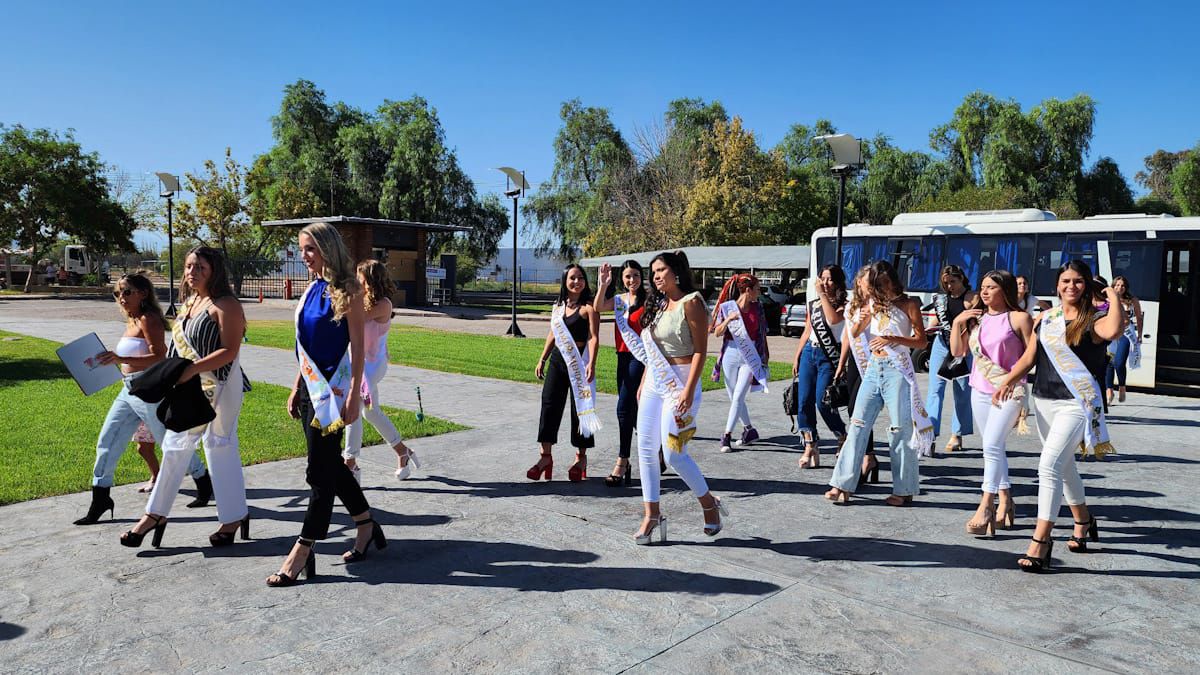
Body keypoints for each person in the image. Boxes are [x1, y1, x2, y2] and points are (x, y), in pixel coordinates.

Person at [269, 223, 382, 586]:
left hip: (332, 394)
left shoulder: (348, 289)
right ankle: (366, 525)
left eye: (311, 249)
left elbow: (357, 348)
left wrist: (353, 393)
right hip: (309, 390)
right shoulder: (311, 288)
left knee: (318, 473)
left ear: (328, 249)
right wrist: (295, 385)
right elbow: (306, 346)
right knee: (330, 465)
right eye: (302, 249)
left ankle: (302, 550)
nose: (304, 256)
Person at [995, 260, 1124, 572]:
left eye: (1078, 281)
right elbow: (1030, 356)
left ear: (1087, 286)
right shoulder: (1048, 319)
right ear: (1057, 285)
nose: (1071, 286)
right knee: (1064, 468)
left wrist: (1113, 295)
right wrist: (1008, 380)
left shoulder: (1093, 319)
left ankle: (1041, 540)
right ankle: (1084, 520)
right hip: (1045, 400)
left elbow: (1115, 329)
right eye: (1066, 281)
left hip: (1075, 405)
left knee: (1049, 466)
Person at [121, 248, 249, 549]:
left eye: (200, 267)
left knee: (220, 446)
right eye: (189, 266)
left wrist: (191, 370)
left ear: (214, 270)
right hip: (188, 386)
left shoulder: (226, 304)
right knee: (175, 445)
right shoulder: (189, 302)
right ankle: (154, 514)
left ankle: (232, 517)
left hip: (220, 385)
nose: (192, 272)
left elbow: (230, 351)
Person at [74, 272, 210, 525]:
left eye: (127, 292)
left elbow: (160, 357)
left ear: (143, 293)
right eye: (117, 293)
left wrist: (121, 359)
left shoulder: (149, 319)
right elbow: (127, 358)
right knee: (107, 440)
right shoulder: (132, 320)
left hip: (149, 391)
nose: (121, 298)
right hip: (127, 391)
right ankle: (101, 498)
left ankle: (203, 481)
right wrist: (108, 361)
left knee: (169, 441)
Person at [634, 250, 726, 544]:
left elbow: (701, 350)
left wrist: (688, 390)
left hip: (682, 384)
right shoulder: (660, 305)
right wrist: (645, 380)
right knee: (646, 449)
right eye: (653, 272)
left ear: (676, 272)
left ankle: (709, 503)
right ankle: (651, 515)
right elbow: (654, 351)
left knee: (674, 453)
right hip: (655, 383)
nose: (656, 276)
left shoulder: (692, 303)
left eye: (661, 270)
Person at [825, 260, 932, 505]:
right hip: (874, 367)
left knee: (900, 429)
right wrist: (862, 317)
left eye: (881, 285)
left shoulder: (909, 304)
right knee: (858, 423)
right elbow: (853, 334)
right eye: (875, 286)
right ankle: (842, 484)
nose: (878, 290)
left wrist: (893, 338)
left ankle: (904, 490)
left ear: (892, 281)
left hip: (897, 370)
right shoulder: (874, 304)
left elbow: (921, 341)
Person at [949, 270, 1033, 537]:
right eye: (983, 287)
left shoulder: (1019, 318)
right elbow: (958, 352)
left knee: (992, 446)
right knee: (992, 449)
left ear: (1005, 290)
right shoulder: (978, 319)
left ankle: (986, 505)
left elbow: (1032, 356)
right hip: (980, 390)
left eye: (991, 287)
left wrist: (1010, 380)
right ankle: (1006, 500)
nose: (984, 292)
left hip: (1010, 391)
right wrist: (958, 323)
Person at [342, 259, 419, 482]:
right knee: (370, 412)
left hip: (371, 366)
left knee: (353, 406)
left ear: (370, 279)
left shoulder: (383, 304)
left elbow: (355, 321)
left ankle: (350, 463)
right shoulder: (363, 300)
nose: (357, 281)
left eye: (360, 277)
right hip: (359, 361)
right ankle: (402, 451)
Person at [530, 264, 601, 482]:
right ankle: (545, 457)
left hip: (580, 361)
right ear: (565, 281)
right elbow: (553, 333)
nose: (577, 282)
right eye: (572, 278)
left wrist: (592, 363)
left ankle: (581, 458)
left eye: (581, 278)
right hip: (559, 361)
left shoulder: (589, 307)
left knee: (579, 410)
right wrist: (543, 358)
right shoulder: (558, 306)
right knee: (549, 403)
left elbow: (593, 337)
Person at [594, 260, 647, 486]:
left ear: (641, 277)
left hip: (641, 359)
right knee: (632, 410)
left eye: (635, 275)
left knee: (623, 408)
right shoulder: (618, 301)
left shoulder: (649, 300)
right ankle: (659, 451)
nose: (631, 280)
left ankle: (622, 460)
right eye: (627, 276)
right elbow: (597, 307)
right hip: (622, 357)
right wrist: (603, 284)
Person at [791, 265, 848, 467]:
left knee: (823, 401)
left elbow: (833, 319)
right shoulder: (814, 303)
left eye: (830, 279)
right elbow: (807, 330)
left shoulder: (845, 304)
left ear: (839, 282)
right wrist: (797, 355)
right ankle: (810, 443)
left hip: (829, 356)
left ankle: (841, 435)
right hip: (810, 352)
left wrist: (822, 295)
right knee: (803, 400)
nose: (825, 283)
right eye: (822, 278)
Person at [710, 273, 770, 453]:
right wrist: (728, 320)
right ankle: (749, 430)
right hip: (730, 353)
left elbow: (762, 334)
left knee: (738, 397)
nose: (759, 292)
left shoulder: (758, 307)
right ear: (747, 290)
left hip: (749, 356)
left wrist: (764, 357)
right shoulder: (727, 307)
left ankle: (726, 435)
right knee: (733, 396)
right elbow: (717, 333)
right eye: (757, 289)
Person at [924, 265, 977, 454]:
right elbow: (936, 321)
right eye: (945, 283)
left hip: (964, 344)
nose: (949, 286)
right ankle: (930, 435)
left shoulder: (972, 297)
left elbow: (975, 324)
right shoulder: (941, 299)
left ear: (962, 278)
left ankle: (957, 433)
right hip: (942, 342)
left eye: (953, 282)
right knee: (935, 390)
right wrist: (928, 328)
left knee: (962, 391)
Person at [834, 266, 877, 485]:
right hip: (855, 359)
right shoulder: (853, 305)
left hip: (874, 361)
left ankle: (865, 456)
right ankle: (869, 456)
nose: (869, 284)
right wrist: (841, 363)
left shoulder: (879, 305)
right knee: (854, 410)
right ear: (859, 282)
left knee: (858, 409)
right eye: (866, 280)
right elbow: (847, 337)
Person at [1105, 276, 1143, 404]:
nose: (1119, 288)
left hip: (1126, 334)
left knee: (1119, 362)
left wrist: (1139, 335)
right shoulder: (1107, 300)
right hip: (1111, 332)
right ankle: (1109, 390)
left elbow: (1139, 317)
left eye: (1122, 285)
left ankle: (1122, 386)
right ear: (1113, 286)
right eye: (1117, 285)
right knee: (1109, 362)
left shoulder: (1132, 301)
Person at [134, 423, 160, 493]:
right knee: (144, 447)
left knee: (144, 448)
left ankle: (157, 479)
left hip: (151, 413)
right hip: (142, 414)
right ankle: (156, 478)